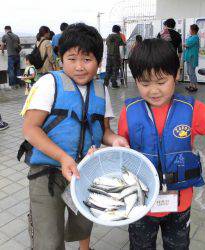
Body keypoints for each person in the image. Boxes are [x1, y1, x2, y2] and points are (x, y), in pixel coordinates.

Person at [118, 38, 205, 250]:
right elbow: (122, 154)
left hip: (179, 203)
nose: (153, 90)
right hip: (140, 205)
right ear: (135, 80)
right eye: (144, 83)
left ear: (176, 75)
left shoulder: (191, 109)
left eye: (161, 81)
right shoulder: (129, 111)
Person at [19, 23, 129, 250]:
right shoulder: (49, 83)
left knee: (83, 222)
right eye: (72, 58)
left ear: (99, 61)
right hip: (46, 173)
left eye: (87, 59)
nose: (79, 66)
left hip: (83, 172)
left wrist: (115, 140)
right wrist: (61, 157)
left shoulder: (101, 89)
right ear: (61, 59)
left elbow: (105, 131)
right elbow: (30, 129)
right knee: (48, 239)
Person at [183, 24, 200, 92]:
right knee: (189, 72)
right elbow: (186, 44)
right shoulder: (192, 37)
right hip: (189, 57)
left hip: (192, 58)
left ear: (193, 30)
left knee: (191, 72)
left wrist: (184, 44)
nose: (189, 30)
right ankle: (191, 85)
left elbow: (186, 44)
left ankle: (194, 86)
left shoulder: (195, 37)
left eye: (190, 29)